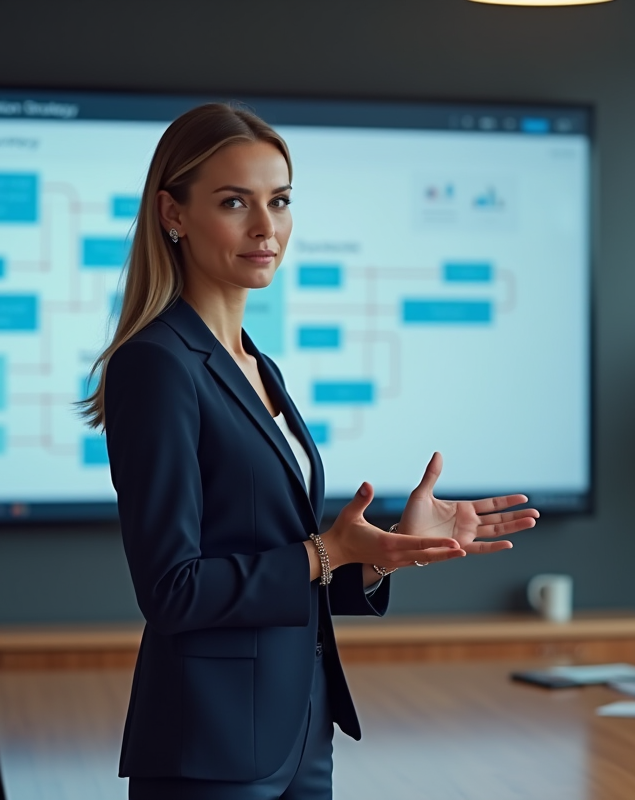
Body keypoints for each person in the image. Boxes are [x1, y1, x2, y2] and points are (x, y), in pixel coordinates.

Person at [79, 104, 540, 799]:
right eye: (235, 202)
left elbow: (282, 555)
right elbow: (173, 590)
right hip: (211, 750)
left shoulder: (257, 366)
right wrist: (327, 552)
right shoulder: (157, 364)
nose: (267, 228)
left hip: (298, 737)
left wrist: (379, 552)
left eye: (280, 201)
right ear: (172, 213)